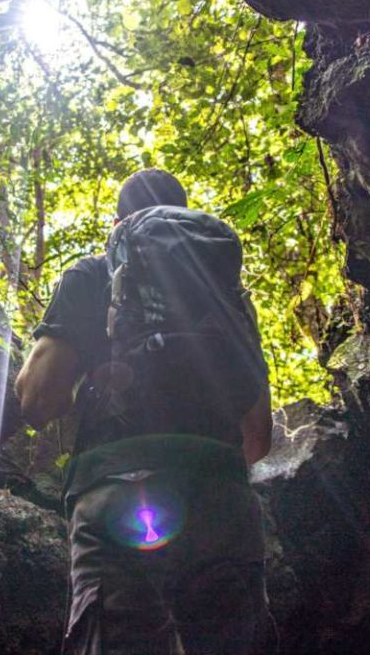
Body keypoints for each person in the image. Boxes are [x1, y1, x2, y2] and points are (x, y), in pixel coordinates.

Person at [15, 168, 273, 655]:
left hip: (117, 492)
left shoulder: (93, 273)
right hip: (221, 497)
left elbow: (37, 399)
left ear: (117, 226)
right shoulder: (230, 299)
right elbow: (257, 439)